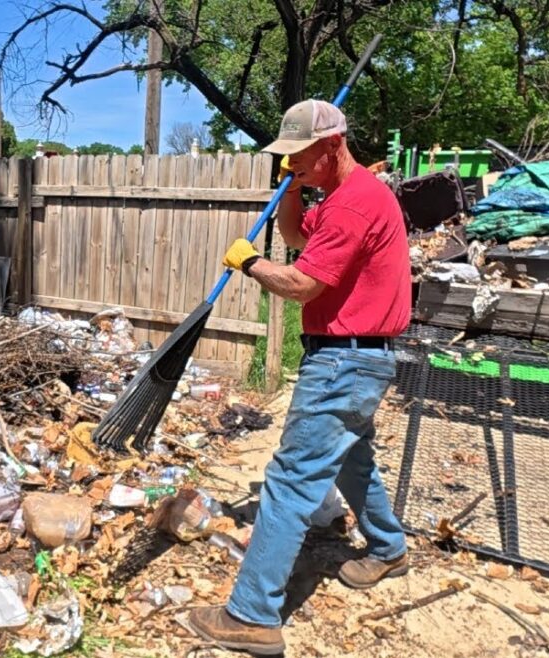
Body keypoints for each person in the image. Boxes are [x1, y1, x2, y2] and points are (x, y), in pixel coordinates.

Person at [187, 99, 413, 656]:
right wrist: (291, 187)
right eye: (286, 158)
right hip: (357, 357)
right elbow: (295, 238)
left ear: (333, 145)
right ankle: (389, 548)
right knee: (355, 461)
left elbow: (300, 283)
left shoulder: (354, 205)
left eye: (300, 156)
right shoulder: (339, 198)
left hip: (343, 359)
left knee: (290, 481)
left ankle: (251, 615)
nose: (294, 164)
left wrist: (247, 264)